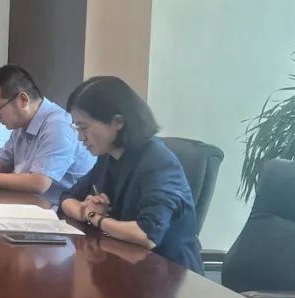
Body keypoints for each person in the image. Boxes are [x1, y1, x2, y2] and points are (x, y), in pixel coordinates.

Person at [58, 76, 204, 273]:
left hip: (169, 276)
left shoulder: (158, 162)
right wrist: (86, 212)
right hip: (125, 264)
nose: (80, 137)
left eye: (84, 127)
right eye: (76, 128)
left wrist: (94, 217)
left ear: (117, 122)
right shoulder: (109, 156)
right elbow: (67, 198)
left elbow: (147, 235)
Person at [0, 65, 95, 203]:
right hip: (27, 205)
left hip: (58, 213)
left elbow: (39, 183)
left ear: (23, 100)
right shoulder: (20, 124)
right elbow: (1, 164)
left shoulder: (58, 126)